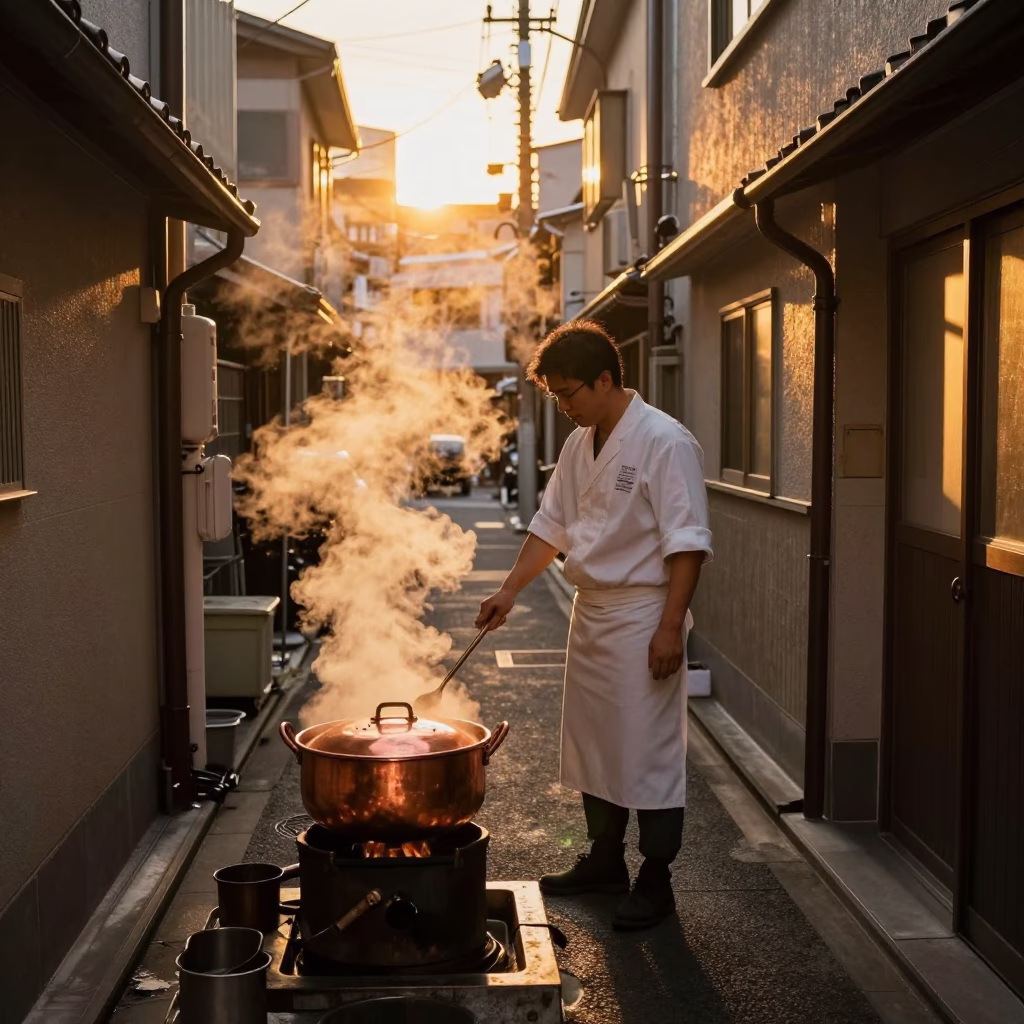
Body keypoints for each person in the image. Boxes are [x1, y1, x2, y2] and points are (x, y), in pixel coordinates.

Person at [475, 319, 712, 931]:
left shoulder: (666, 441)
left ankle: (655, 881)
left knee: (649, 753)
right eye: (555, 395)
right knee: (594, 746)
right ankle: (605, 861)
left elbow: (686, 543)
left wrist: (670, 625)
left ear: (605, 380)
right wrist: (509, 590)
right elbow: (550, 526)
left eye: (569, 392)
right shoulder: (581, 444)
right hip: (594, 614)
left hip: (643, 614)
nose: (563, 404)